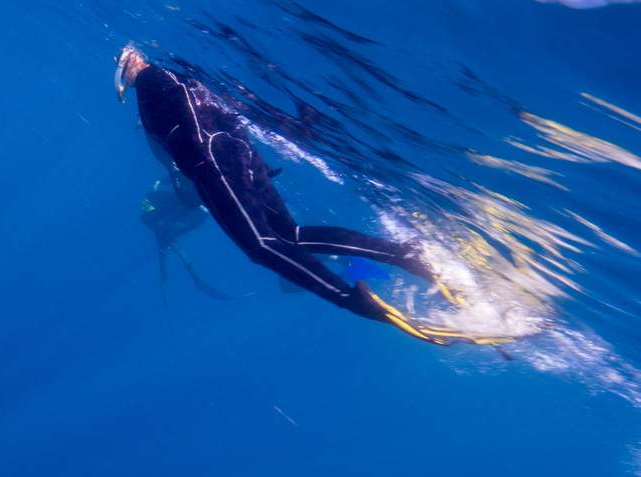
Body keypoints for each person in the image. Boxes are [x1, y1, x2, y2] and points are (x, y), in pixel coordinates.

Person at [115, 43, 508, 347]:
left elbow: (185, 94)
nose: (124, 67)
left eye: (127, 63)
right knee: (289, 236)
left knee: (260, 246)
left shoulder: (149, 80)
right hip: (228, 154)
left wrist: (198, 142)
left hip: (214, 158)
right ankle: (405, 254)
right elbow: (196, 115)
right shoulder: (149, 100)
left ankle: (350, 298)